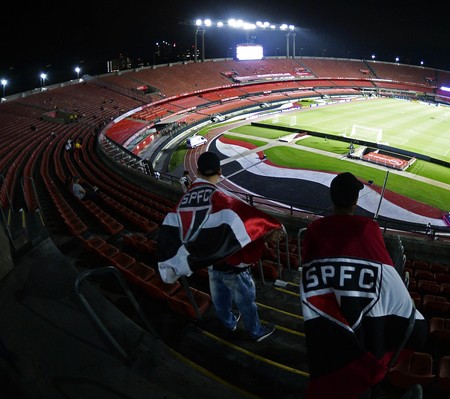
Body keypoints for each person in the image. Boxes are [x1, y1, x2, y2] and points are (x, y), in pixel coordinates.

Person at [299, 172, 428, 398]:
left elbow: (310, 270)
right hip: (358, 304)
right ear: (355, 201)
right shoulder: (368, 228)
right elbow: (383, 269)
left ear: (332, 198)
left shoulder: (314, 230)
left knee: (334, 360)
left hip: (330, 311)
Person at [157, 151, 284, 342]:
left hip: (211, 266)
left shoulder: (182, 202)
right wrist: (270, 232)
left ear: (198, 171)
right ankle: (256, 331)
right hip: (234, 267)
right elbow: (249, 226)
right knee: (246, 302)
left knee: (220, 300)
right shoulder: (223, 199)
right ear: (220, 170)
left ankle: (229, 322)